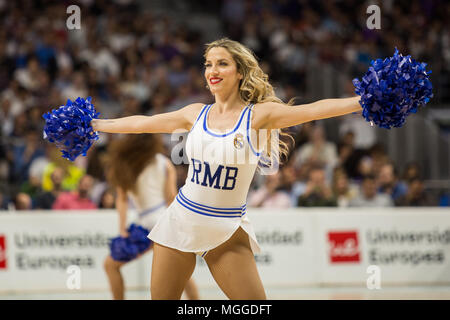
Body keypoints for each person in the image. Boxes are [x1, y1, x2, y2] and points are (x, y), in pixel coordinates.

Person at [91, 38, 362, 299]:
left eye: (222, 64)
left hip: (226, 228)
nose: (213, 70)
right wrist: (95, 125)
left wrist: (363, 101)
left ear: (240, 72)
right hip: (180, 221)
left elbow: (314, 110)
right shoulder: (194, 113)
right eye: (208, 64)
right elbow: (143, 123)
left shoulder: (258, 115)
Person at [103, 134, 199, 300]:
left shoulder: (125, 165)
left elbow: (122, 199)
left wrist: (122, 228)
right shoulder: (164, 163)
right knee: (180, 272)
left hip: (145, 224)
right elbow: (171, 198)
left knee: (110, 265)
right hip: (164, 221)